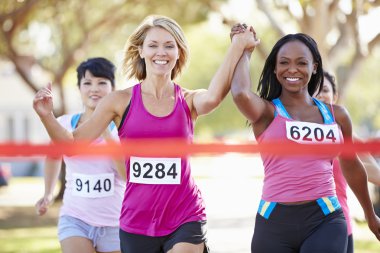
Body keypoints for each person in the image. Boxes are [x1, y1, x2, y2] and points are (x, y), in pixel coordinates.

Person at [33, 15, 258, 253]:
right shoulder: (118, 101)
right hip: (136, 222)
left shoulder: (189, 100)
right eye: (153, 45)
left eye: (169, 46)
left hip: (184, 214)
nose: (161, 52)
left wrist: (237, 46)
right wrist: (46, 115)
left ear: (179, 52)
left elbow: (213, 97)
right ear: (140, 51)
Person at [230, 24, 380, 253]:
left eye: (301, 62)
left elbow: (351, 165)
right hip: (273, 219)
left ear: (314, 67)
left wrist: (371, 217)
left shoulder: (336, 115)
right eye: (284, 62)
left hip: (325, 218)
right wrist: (244, 51)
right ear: (274, 68)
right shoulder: (266, 112)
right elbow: (240, 93)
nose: (293, 69)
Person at [35, 57, 126, 253]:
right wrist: (48, 194)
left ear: (113, 88)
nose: (94, 89)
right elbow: (53, 156)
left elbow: (127, 175)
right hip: (75, 219)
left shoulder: (123, 129)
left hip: (115, 223)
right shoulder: (64, 124)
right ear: (79, 88)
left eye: (102, 82)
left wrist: (104, 131)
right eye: (87, 83)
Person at [314, 70, 380, 253]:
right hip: (304, 227)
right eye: (314, 90)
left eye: (325, 90)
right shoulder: (297, 132)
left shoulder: (344, 133)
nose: (320, 94)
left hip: (339, 226)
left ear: (334, 96)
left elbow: (373, 171)